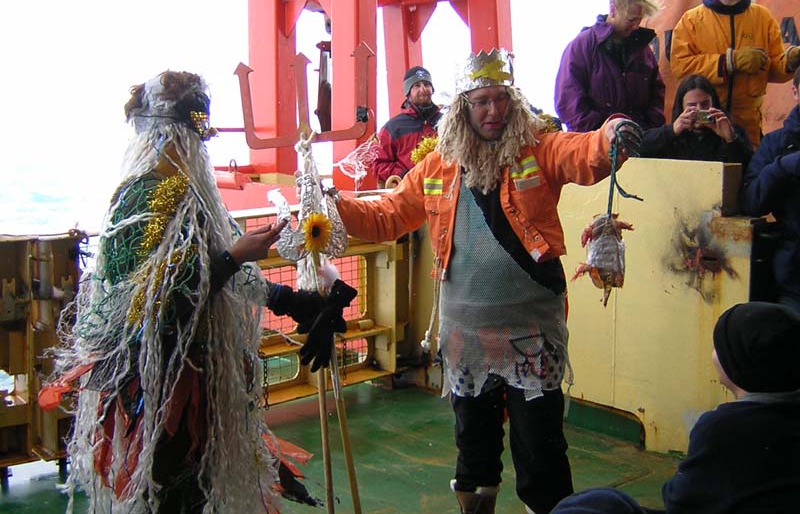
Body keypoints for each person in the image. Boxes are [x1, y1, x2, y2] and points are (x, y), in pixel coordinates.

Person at [331, 48, 642, 514]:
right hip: (465, 337)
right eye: (481, 101)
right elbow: (387, 217)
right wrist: (333, 205)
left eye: (501, 99)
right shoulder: (437, 166)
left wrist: (612, 131)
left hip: (532, 332)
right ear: (462, 108)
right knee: (473, 446)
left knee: (541, 446)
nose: (493, 110)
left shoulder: (539, 147)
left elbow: (583, 153)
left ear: (513, 103)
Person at [45, 71, 356, 513]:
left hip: (197, 372)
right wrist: (232, 258)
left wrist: (290, 302)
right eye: (196, 134)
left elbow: (212, 265)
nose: (197, 147)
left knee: (194, 488)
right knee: (167, 490)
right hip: (157, 384)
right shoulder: (147, 196)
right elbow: (146, 302)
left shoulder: (188, 190)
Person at [551, 301, 800, 514]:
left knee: (596, 504)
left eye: (719, 348)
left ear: (739, 364)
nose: (714, 353)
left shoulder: (723, 428)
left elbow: (682, 500)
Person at [670, 0, 800, 147]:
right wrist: (729, 62)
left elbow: (773, 68)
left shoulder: (762, 18)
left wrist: (789, 63)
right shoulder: (692, 20)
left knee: (747, 175)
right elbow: (680, 66)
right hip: (703, 127)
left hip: (748, 129)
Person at [554, 0, 665, 132]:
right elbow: (569, 101)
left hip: (639, 142)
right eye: (631, 19)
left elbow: (656, 93)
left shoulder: (643, 51)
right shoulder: (582, 46)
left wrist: (648, 131)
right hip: (592, 145)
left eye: (639, 20)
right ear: (613, 10)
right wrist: (602, 135)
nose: (636, 26)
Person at [741, 67, 800, 312]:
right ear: (795, 91)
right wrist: (783, 167)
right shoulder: (777, 144)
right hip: (794, 280)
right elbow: (751, 203)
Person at [638, 73, 751, 166]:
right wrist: (671, 131)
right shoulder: (673, 137)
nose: (699, 110)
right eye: (691, 105)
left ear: (714, 103)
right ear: (681, 107)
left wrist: (731, 140)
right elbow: (637, 148)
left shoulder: (731, 132)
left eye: (705, 104)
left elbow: (747, 168)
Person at [373, 65, 443, 185]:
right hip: (409, 192)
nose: (423, 89)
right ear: (408, 92)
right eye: (417, 86)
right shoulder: (393, 128)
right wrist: (405, 175)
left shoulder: (446, 123)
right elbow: (379, 164)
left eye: (427, 85)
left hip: (446, 191)